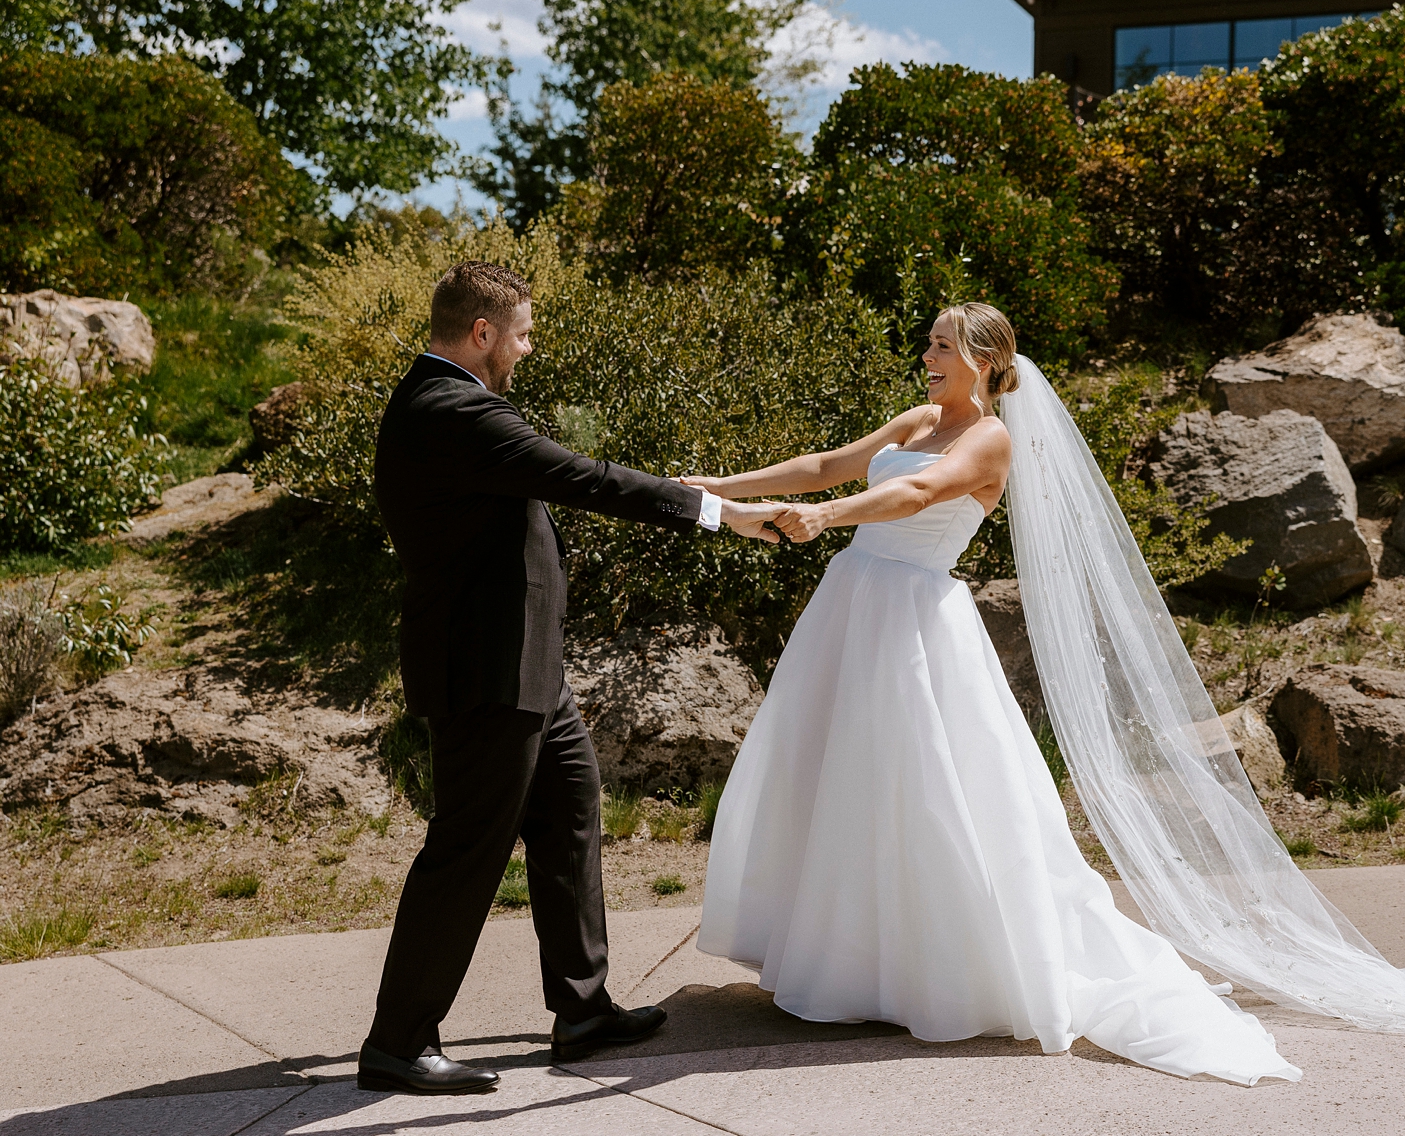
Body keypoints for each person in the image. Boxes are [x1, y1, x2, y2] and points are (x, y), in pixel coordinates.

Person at [687, 303, 1304, 1084]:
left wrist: (826, 519)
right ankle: (846, 959)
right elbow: (823, 465)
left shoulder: (990, 438)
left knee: (924, 790)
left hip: (914, 619)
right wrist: (718, 485)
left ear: (983, 360)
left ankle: (932, 967)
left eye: (943, 344)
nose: (928, 353)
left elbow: (918, 497)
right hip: (850, 607)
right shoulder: (917, 418)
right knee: (834, 776)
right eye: (930, 342)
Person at [357, 260, 786, 1095]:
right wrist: (715, 510)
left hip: (524, 668)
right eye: (520, 332)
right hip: (484, 672)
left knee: (569, 812)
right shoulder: (452, 410)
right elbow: (581, 478)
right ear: (481, 333)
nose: (528, 346)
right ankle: (398, 1042)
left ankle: (582, 1008)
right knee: (467, 848)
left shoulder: (446, 404)